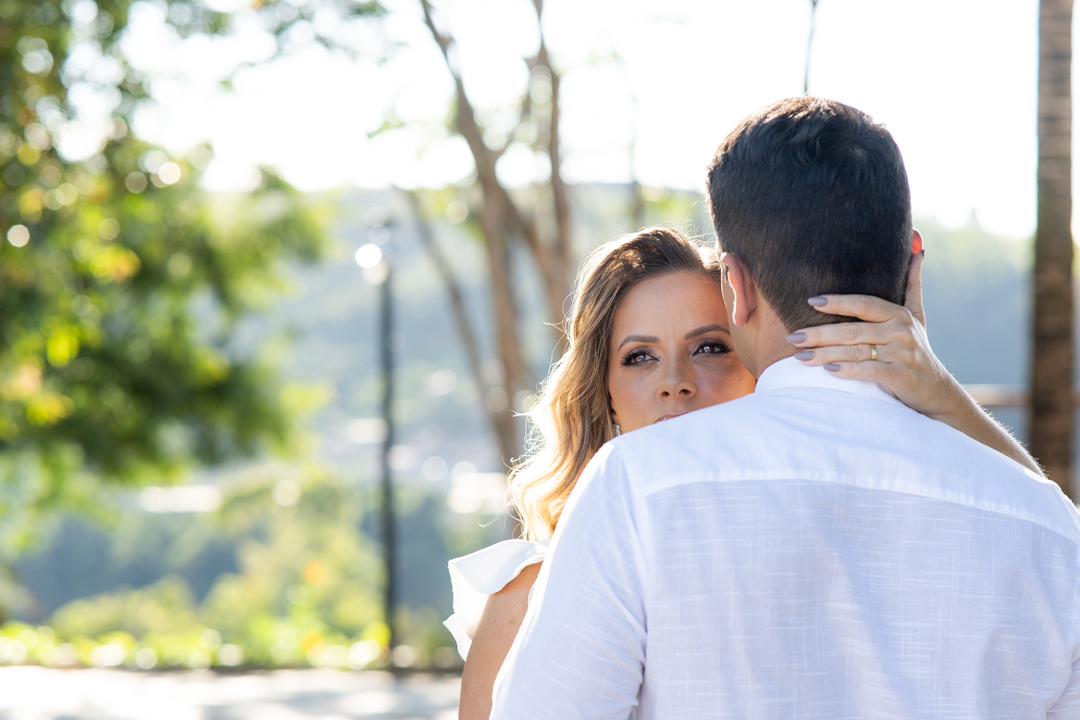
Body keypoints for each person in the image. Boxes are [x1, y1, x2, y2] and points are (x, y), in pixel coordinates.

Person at [486, 98, 1080, 718]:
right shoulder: (1046, 528)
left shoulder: (638, 486)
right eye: (640, 357)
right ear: (912, 263)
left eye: (708, 347)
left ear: (735, 286)